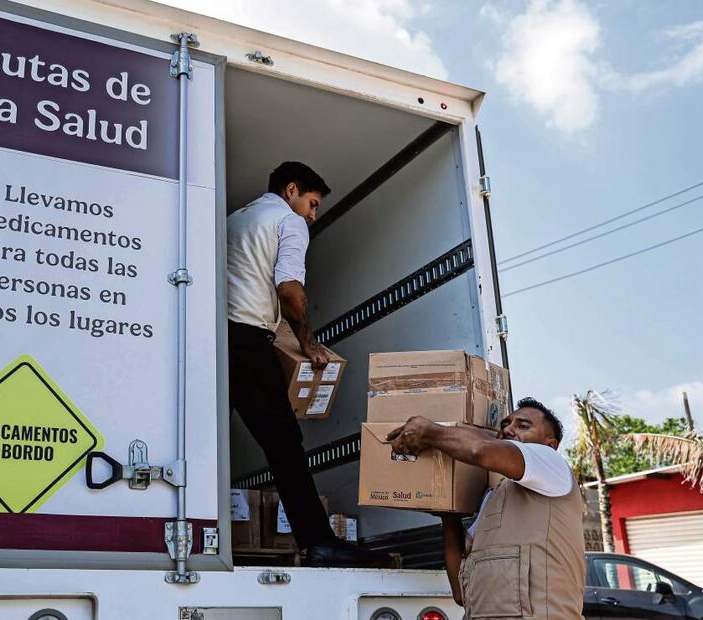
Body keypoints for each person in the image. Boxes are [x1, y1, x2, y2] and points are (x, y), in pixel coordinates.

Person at [227, 162, 379, 566]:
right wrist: (307, 343)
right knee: (285, 446)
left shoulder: (231, 219)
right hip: (245, 340)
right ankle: (320, 542)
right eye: (312, 204)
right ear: (292, 190)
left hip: (209, 340)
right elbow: (290, 290)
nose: (313, 215)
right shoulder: (288, 222)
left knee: (208, 440)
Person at [389, 397, 584, 619]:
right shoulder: (493, 497)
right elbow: (461, 593)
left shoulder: (552, 465)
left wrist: (429, 432)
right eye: (505, 424)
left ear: (550, 445)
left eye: (523, 426)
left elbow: (479, 450)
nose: (509, 429)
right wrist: (449, 516)